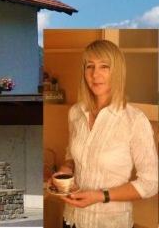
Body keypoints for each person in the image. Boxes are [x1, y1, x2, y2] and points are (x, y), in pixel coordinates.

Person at [53, 39, 158, 228]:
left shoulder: (134, 120)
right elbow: (72, 154)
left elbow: (151, 183)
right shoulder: (76, 112)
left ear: (117, 72)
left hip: (110, 223)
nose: (95, 74)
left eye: (104, 66)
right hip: (72, 219)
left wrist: (101, 196)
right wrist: (66, 169)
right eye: (89, 66)